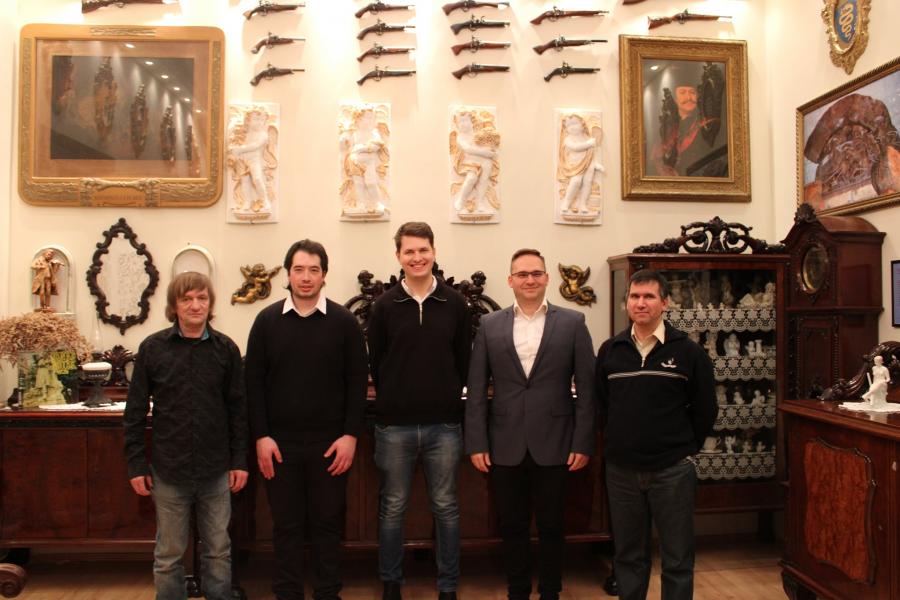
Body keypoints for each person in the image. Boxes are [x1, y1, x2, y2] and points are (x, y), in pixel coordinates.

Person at [465, 248, 595, 600]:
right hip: (504, 443)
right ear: (510, 281)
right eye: (522, 274)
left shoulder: (573, 322)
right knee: (512, 525)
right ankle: (517, 591)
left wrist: (582, 442)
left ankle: (551, 591)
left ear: (547, 278)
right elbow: (476, 389)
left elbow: (587, 389)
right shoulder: (490, 325)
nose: (530, 280)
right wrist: (477, 442)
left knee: (553, 525)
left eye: (536, 273)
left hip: (556, 442)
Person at [245, 239, 368, 600]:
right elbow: (253, 383)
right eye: (299, 269)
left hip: (331, 445)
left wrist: (350, 436)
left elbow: (357, 382)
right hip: (278, 445)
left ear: (324, 275)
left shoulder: (344, 322)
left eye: (314, 270)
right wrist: (261, 436)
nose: (306, 277)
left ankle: (328, 592)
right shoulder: (266, 321)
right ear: (288, 274)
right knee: (286, 525)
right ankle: (287, 593)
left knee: (327, 524)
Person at [124, 272, 248, 600]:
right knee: (168, 555)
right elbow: (134, 412)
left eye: (202, 298)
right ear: (174, 305)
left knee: (218, 551)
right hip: (169, 470)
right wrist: (136, 465)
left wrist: (239, 461)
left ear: (210, 303)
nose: (195, 305)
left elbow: (238, 411)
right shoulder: (152, 349)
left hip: (216, 470)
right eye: (187, 299)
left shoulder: (226, 349)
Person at [595, 269, 717, 600]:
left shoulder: (689, 352)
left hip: (672, 470)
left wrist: (682, 448)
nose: (641, 303)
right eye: (634, 296)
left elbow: (706, 409)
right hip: (622, 471)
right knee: (628, 556)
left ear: (665, 303)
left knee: (677, 558)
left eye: (649, 296)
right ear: (626, 303)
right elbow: (602, 406)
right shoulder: (610, 351)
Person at [367, 222, 472, 600]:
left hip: (444, 426)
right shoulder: (383, 306)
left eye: (423, 249)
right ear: (398, 256)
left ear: (434, 252)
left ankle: (448, 586)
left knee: (446, 507)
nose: (417, 257)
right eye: (409, 251)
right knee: (393, 508)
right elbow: (377, 362)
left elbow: (463, 360)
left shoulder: (456, 304)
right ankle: (391, 584)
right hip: (394, 426)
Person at [647, 64, 727, 178]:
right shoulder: (668, 128)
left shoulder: (708, 127)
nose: (689, 97)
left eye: (692, 92)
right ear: (675, 98)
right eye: (683, 92)